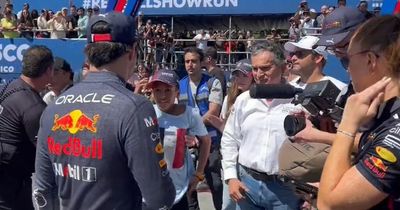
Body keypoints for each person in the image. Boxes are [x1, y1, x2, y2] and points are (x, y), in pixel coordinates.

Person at [33, 12, 175, 210]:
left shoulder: (53, 108)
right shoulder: (136, 107)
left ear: (87, 53)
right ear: (133, 52)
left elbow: (41, 191)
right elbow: (159, 197)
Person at [318, 15, 400, 210]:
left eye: (348, 58)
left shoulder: (395, 132)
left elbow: (329, 204)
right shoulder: (387, 111)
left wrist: (347, 125)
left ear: (370, 60)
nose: (347, 70)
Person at [221, 42, 301, 210]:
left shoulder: (298, 100)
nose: (259, 74)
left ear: (283, 67)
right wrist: (231, 177)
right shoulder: (244, 100)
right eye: (255, 69)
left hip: (286, 190)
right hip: (246, 185)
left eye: (265, 68)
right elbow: (229, 139)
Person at [148, 69, 211, 210]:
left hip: (180, 188)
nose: (162, 96)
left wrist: (199, 174)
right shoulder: (146, 112)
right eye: (157, 90)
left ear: (177, 92)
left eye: (168, 90)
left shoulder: (190, 114)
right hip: (151, 188)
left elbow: (206, 141)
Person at [0, 45, 54, 210]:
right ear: (49, 70)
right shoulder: (34, 107)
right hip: (12, 185)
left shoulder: (8, 87)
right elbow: (48, 151)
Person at [179, 47, 223, 210]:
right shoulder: (179, 84)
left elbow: (213, 112)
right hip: (188, 142)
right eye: (187, 61)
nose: (190, 65)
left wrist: (193, 128)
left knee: (215, 184)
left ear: (202, 62)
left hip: (210, 141)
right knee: (189, 186)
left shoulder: (212, 82)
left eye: (194, 61)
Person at [208, 59, 255, 210]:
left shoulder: (258, 99)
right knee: (228, 203)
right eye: (236, 75)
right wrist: (221, 126)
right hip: (233, 158)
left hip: (250, 160)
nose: (239, 79)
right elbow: (227, 131)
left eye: (244, 75)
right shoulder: (230, 98)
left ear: (252, 76)